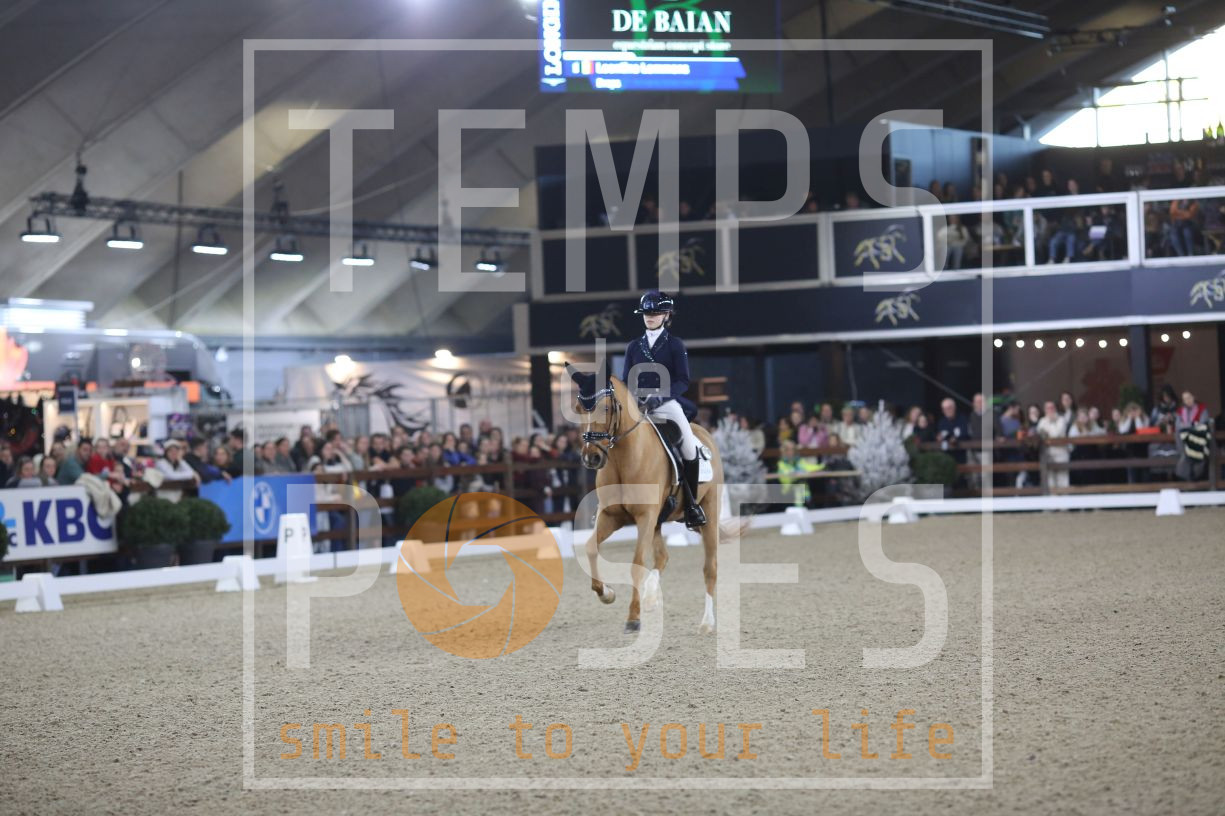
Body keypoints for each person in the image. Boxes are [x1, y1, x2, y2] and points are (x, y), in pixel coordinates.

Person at [620, 289, 706, 529]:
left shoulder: (675, 345)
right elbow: (626, 379)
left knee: (689, 448)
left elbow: (683, 380)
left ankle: (691, 505)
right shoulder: (634, 346)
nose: (650, 317)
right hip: (638, 406)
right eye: (647, 313)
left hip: (666, 404)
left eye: (656, 313)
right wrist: (631, 399)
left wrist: (660, 398)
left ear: (666, 315)